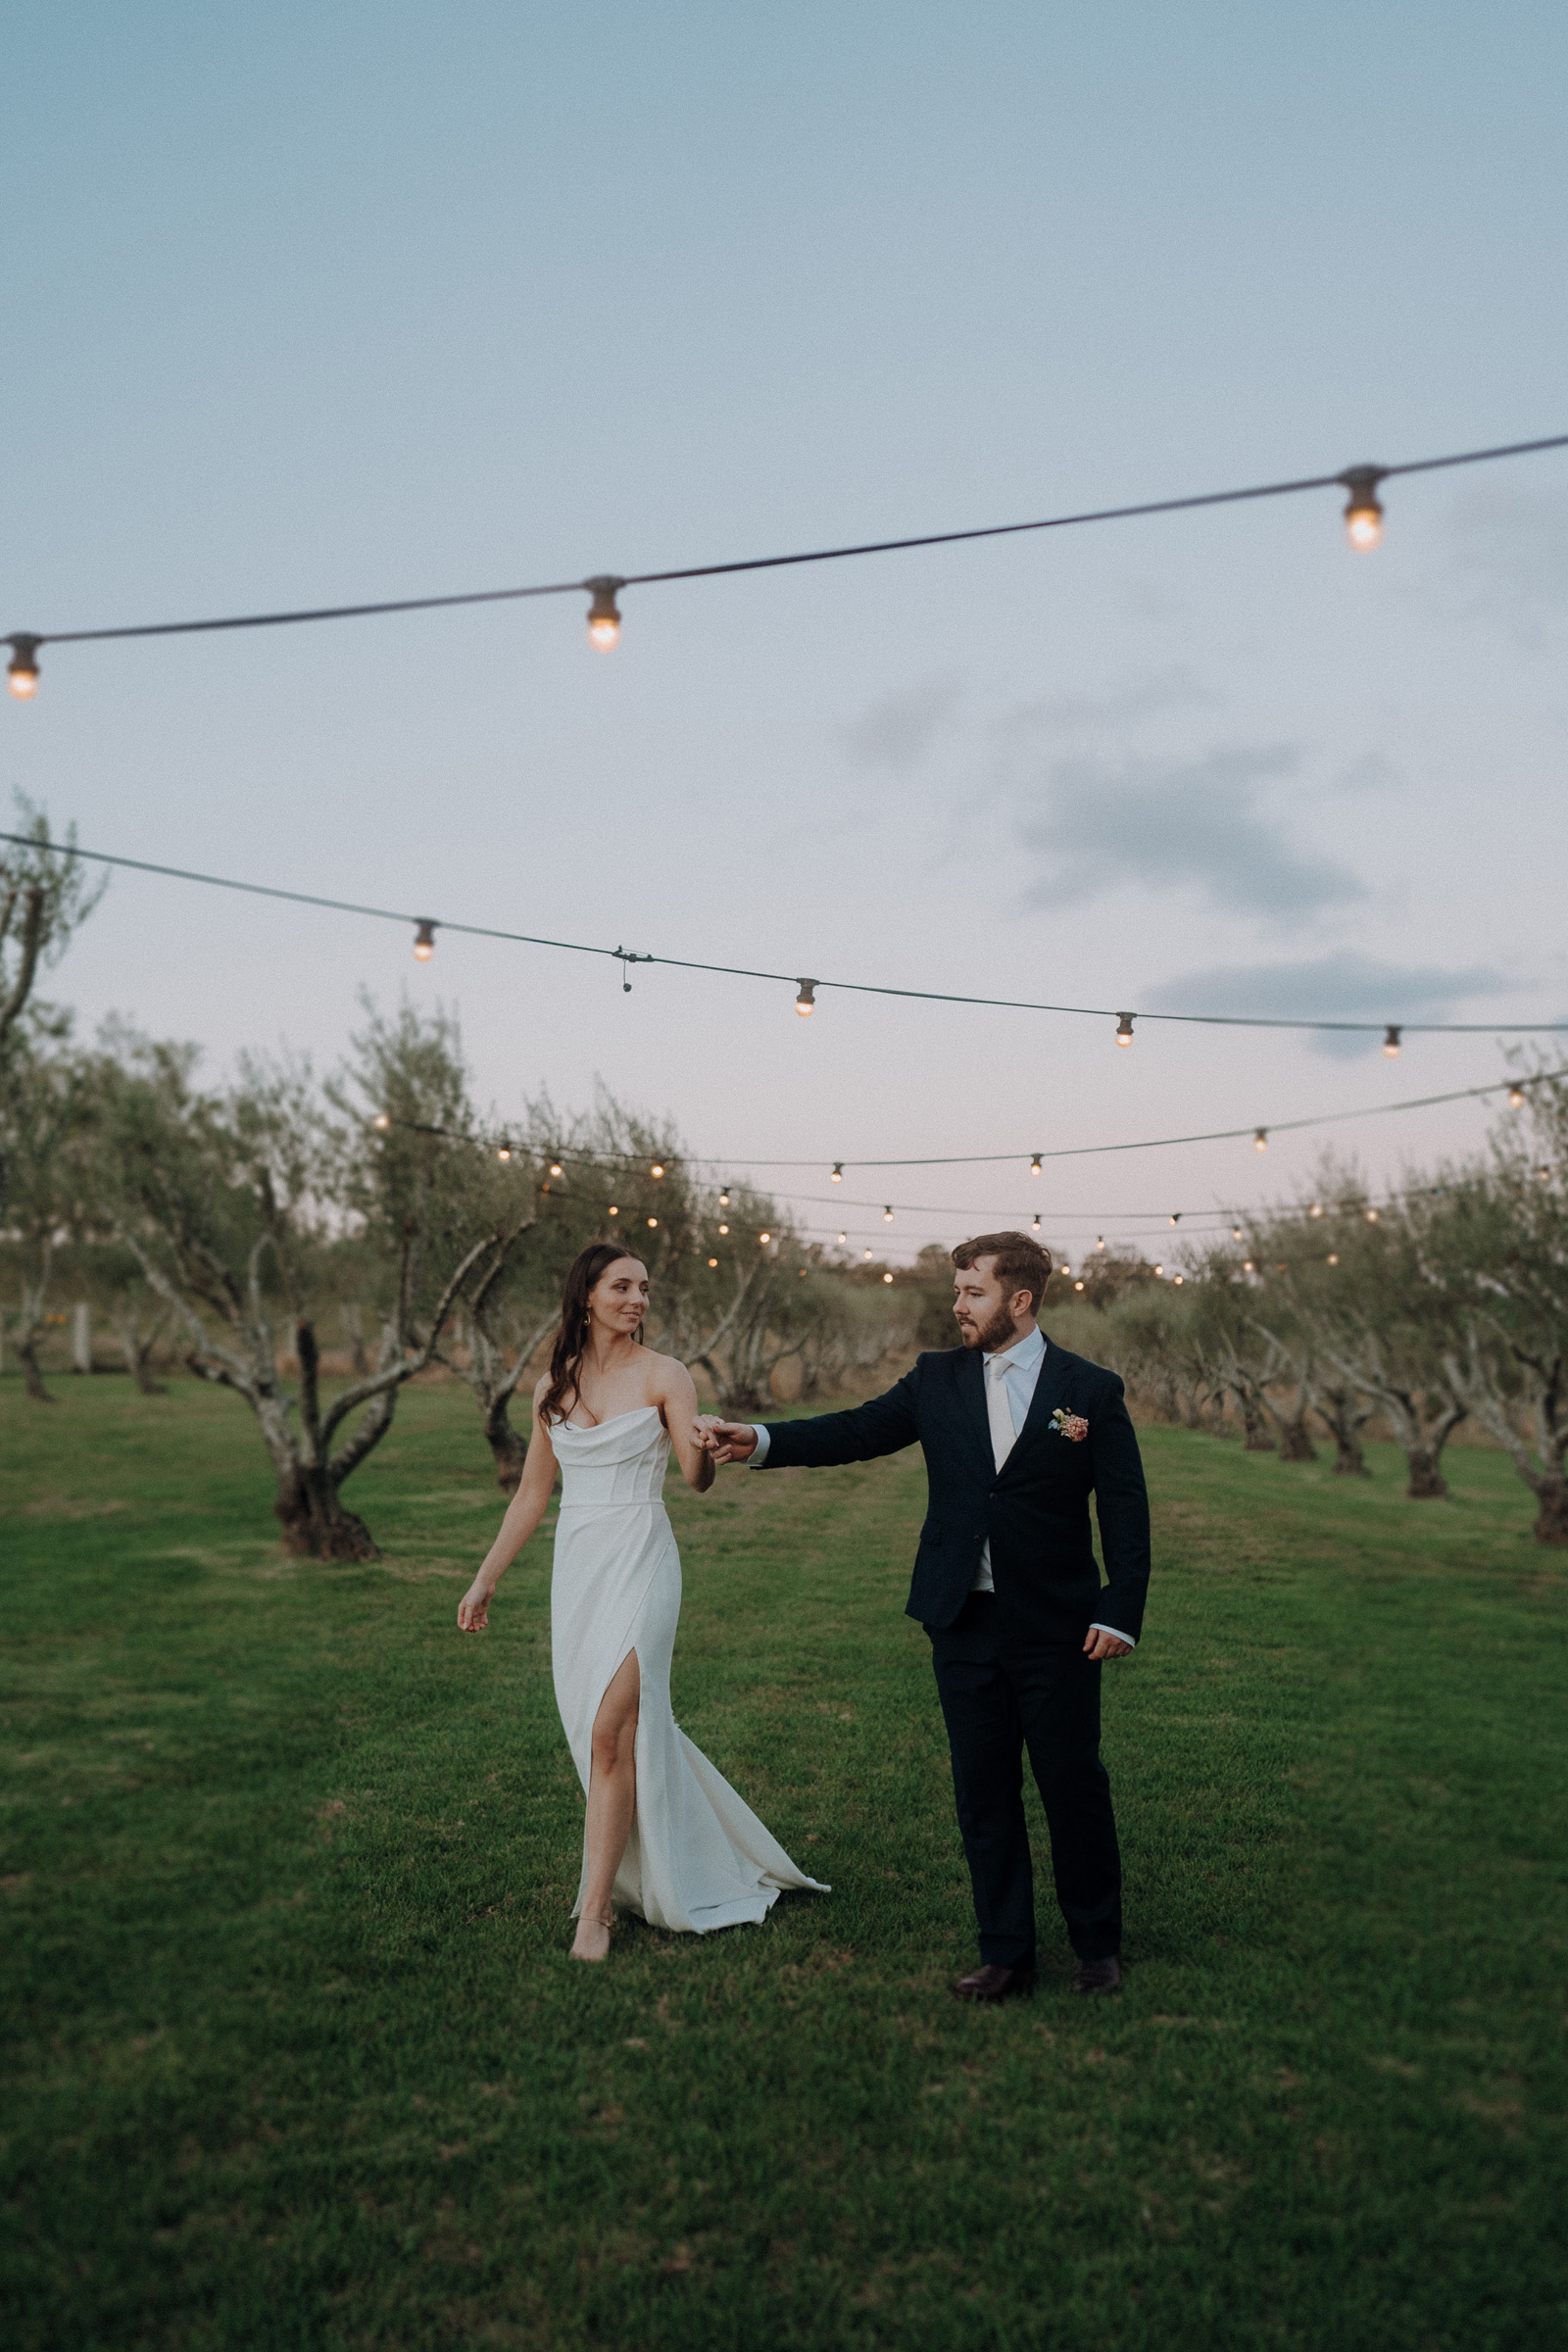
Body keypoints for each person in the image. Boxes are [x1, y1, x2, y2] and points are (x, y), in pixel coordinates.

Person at [698, 1231, 1149, 2002]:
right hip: (962, 1620)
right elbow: (858, 1430)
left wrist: (1120, 1610)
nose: (957, 1306)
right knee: (983, 1792)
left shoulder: (1090, 1389)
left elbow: (1126, 1509)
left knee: (1072, 1784)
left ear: (1021, 1300)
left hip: (1057, 1626)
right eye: (957, 1291)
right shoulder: (936, 1379)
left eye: (972, 1292)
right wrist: (763, 1440)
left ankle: (1097, 1946)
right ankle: (1006, 1953)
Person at [459, 1242, 826, 1962]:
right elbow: (534, 1494)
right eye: (623, 1286)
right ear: (586, 1294)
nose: (637, 1300)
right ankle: (683, 1850)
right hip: (581, 1567)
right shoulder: (548, 1389)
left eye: (645, 1289)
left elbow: (693, 1478)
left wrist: (705, 1444)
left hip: (643, 1557)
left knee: (610, 1730)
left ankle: (594, 1911)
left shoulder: (667, 1374)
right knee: (601, 1733)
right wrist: (486, 1577)